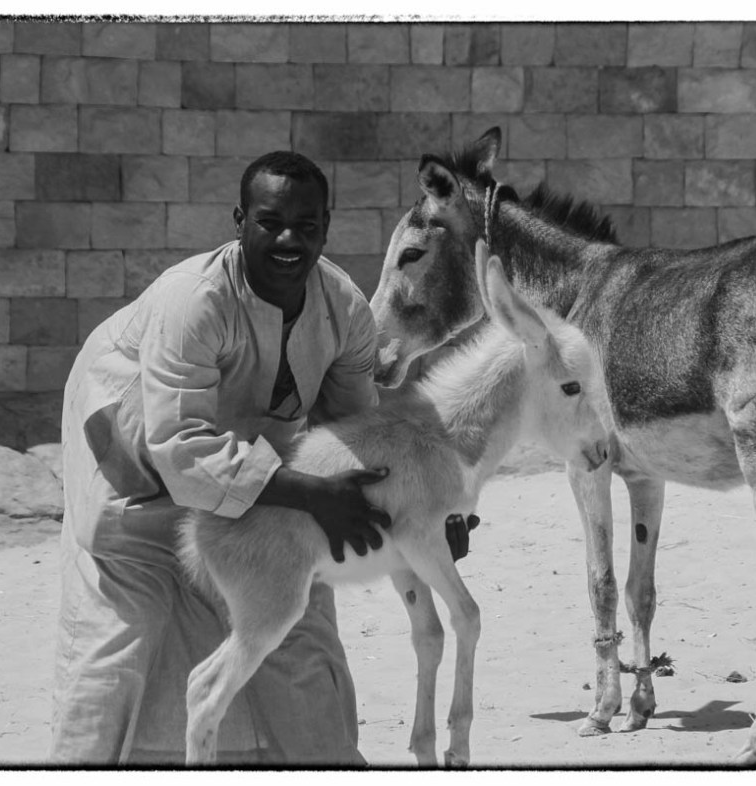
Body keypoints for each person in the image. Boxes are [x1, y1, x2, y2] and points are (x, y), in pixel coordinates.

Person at [51, 150, 475, 765]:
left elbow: (354, 433)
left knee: (296, 616)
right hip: (130, 446)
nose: (288, 240)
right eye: (270, 222)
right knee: (128, 622)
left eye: (307, 227)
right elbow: (181, 446)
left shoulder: (344, 309)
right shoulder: (192, 302)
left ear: (326, 229)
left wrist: (422, 510)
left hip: (260, 460)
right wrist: (309, 494)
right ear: (239, 221)